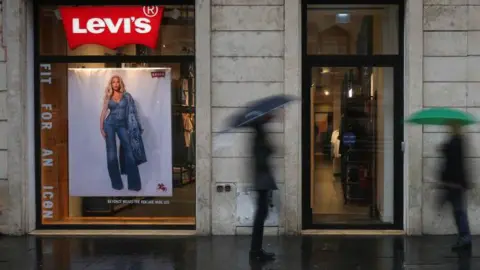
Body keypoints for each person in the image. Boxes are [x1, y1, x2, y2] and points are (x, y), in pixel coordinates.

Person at [100, 75, 147, 191]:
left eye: (117, 82)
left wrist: (138, 127)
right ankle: (117, 184)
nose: (115, 84)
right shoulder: (108, 96)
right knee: (111, 154)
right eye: (113, 82)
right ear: (111, 84)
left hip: (122, 125)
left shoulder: (127, 96)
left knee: (129, 151)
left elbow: (133, 113)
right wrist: (101, 127)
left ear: (120, 83)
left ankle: (134, 185)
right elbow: (104, 111)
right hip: (109, 124)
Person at [438, 122, 472, 250]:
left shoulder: (456, 142)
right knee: (458, 211)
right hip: (456, 183)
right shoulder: (457, 141)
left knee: (459, 211)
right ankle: (464, 237)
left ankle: (465, 238)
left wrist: (445, 149)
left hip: (454, 183)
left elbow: (454, 164)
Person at [249, 113, 277, 262]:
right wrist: (269, 149)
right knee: (261, 216)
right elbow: (261, 161)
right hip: (262, 181)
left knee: (261, 215)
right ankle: (255, 252)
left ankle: (257, 250)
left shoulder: (259, 138)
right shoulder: (259, 139)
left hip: (262, 181)